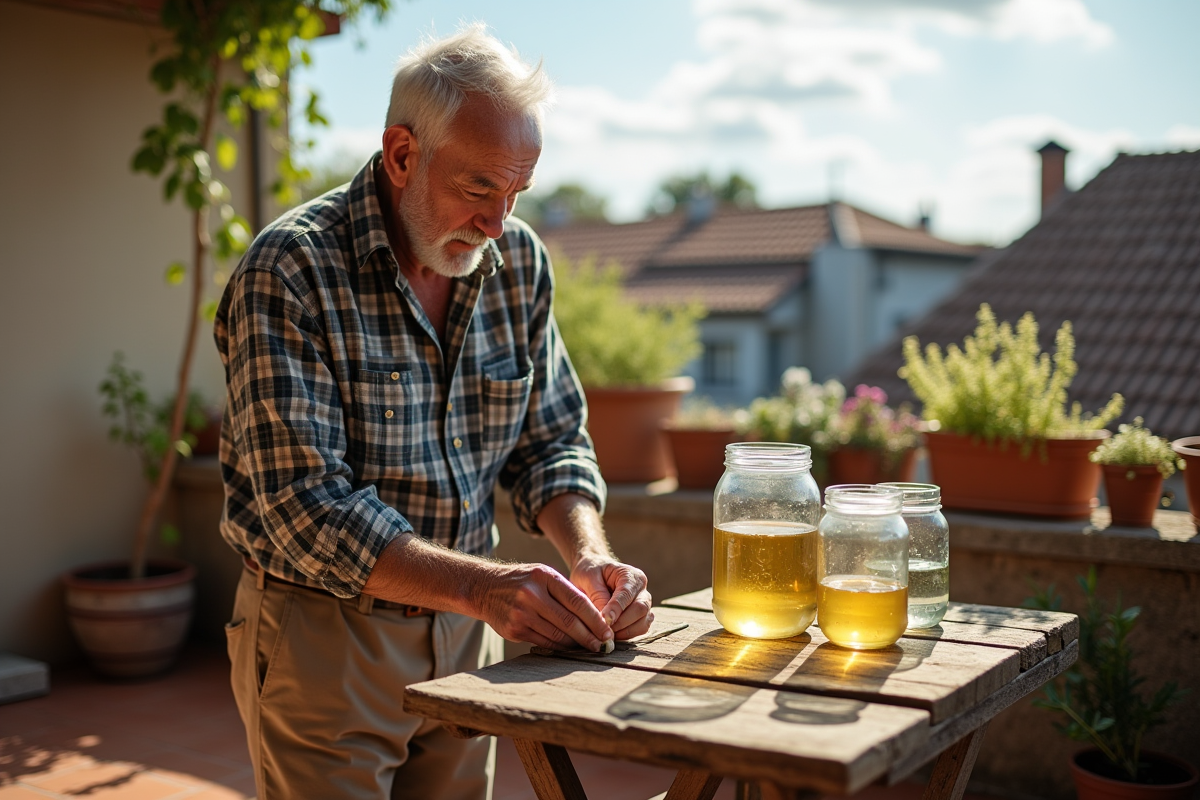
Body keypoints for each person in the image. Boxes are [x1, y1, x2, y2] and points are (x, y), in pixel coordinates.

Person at [213, 25, 653, 800]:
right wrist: (482, 589)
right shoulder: (291, 270)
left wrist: (588, 555)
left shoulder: (518, 262)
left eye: (516, 193)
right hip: (325, 635)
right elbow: (303, 509)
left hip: (466, 635)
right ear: (401, 154)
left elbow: (550, 442)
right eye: (479, 187)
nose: (497, 222)